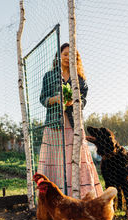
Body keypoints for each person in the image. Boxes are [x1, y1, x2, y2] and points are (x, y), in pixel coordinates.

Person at [37, 43, 103, 198]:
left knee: (76, 158)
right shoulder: (49, 76)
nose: (68, 58)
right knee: (55, 159)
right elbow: (42, 99)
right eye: (65, 54)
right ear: (59, 56)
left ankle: (81, 196)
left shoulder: (80, 79)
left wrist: (74, 102)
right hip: (54, 123)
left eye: (72, 55)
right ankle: (54, 196)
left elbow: (84, 101)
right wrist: (55, 99)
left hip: (74, 124)